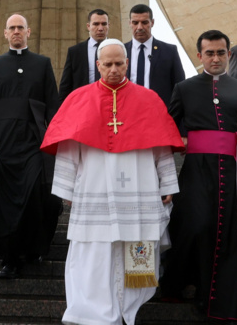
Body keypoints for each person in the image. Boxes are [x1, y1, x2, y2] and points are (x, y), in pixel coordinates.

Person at [42, 39, 183, 325]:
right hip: (94, 190)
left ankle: (129, 307)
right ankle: (92, 310)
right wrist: (67, 189)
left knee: (137, 246)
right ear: (98, 65)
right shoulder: (78, 99)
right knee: (94, 251)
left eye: (119, 63)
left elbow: (162, 147)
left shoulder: (149, 99)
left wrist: (167, 184)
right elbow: (69, 147)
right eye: (108, 64)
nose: (114, 69)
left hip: (139, 190)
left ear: (127, 63)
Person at [163, 30, 237, 320]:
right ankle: (188, 283)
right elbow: (166, 127)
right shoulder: (184, 88)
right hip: (196, 172)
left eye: (221, 53)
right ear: (199, 56)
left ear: (230, 54)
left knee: (228, 234)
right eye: (209, 53)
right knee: (196, 225)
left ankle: (216, 296)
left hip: (236, 170)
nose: (215, 58)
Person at [0, 14, 62, 279]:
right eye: (11, 28)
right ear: (5, 33)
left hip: (34, 142)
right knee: (5, 203)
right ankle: (9, 259)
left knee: (37, 193)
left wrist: (54, 139)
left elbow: (53, 105)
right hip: (2, 144)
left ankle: (33, 248)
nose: (16, 32)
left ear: (29, 31)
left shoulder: (42, 64)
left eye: (20, 28)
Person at [124, 3, 185, 110]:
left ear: (152, 22)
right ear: (129, 23)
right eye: (135, 23)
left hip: (159, 113)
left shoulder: (169, 51)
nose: (139, 27)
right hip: (128, 112)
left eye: (144, 22)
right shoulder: (121, 51)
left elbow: (180, 86)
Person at [58, 9, 111, 103]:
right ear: (88, 26)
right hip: (83, 103)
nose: (100, 28)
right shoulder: (75, 52)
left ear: (108, 26)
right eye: (96, 24)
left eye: (104, 24)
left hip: (110, 102)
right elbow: (65, 86)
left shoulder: (118, 49)